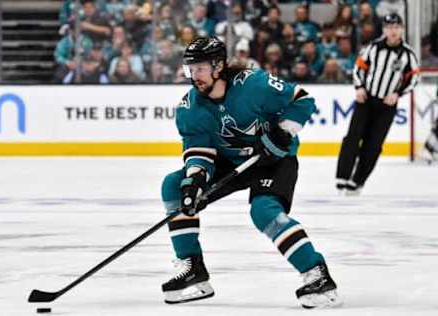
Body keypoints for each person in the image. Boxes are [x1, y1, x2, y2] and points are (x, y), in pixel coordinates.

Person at [160, 37, 342, 308]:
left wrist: (283, 132)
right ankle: (194, 270)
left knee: (263, 211)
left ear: (218, 66)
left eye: (200, 68)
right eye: (190, 69)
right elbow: (199, 151)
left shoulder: (253, 85)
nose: (194, 76)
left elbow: (302, 100)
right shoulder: (190, 107)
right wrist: (195, 180)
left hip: (274, 160)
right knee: (175, 186)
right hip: (231, 162)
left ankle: (317, 274)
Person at [336, 13, 419, 195]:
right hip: (366, 100)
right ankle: (342, 176)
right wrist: (359, 87)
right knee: (353, 137)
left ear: (402, 29)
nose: (393, 31)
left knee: (374, 145)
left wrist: (398, 93)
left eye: (396, 27)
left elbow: (413, 79)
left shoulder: (408, 54)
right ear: (384, 30)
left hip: (387, 106)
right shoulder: (373, 48)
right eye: (389, 27)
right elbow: (358, 68)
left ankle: (357, 181)